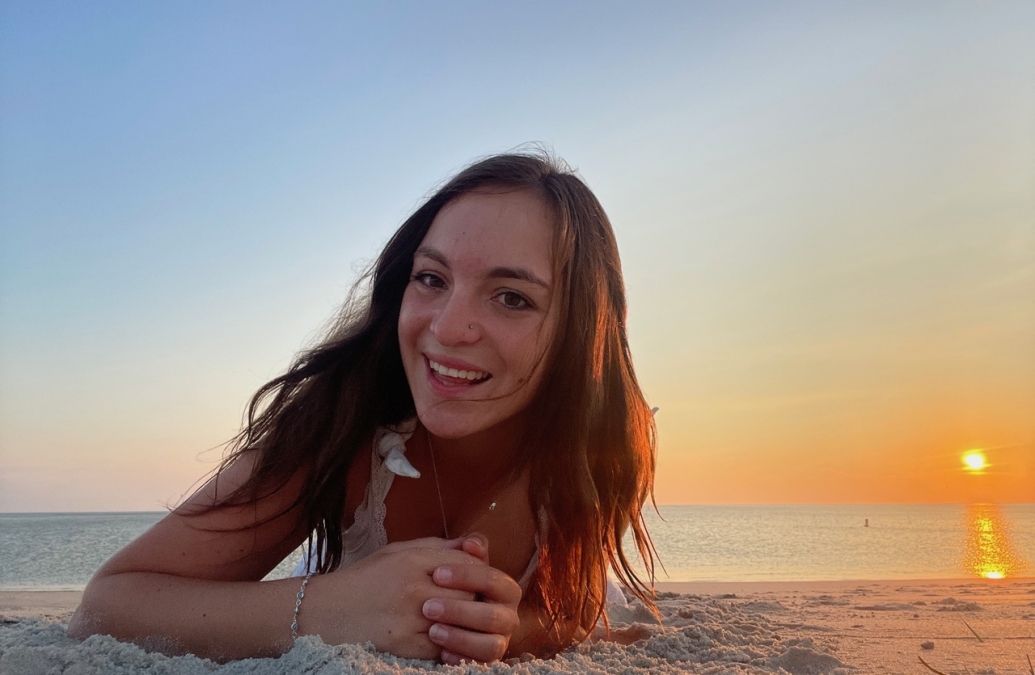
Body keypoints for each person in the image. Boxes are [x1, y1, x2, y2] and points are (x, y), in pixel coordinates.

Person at [68, 151, 658, 664]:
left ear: (582, 333)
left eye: (512, 298)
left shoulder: (594, 449)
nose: (448, 329)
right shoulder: (341, 426)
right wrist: (329, 609)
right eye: (431, 278)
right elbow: (107, 607)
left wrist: (510, 631)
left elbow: (575, 605)